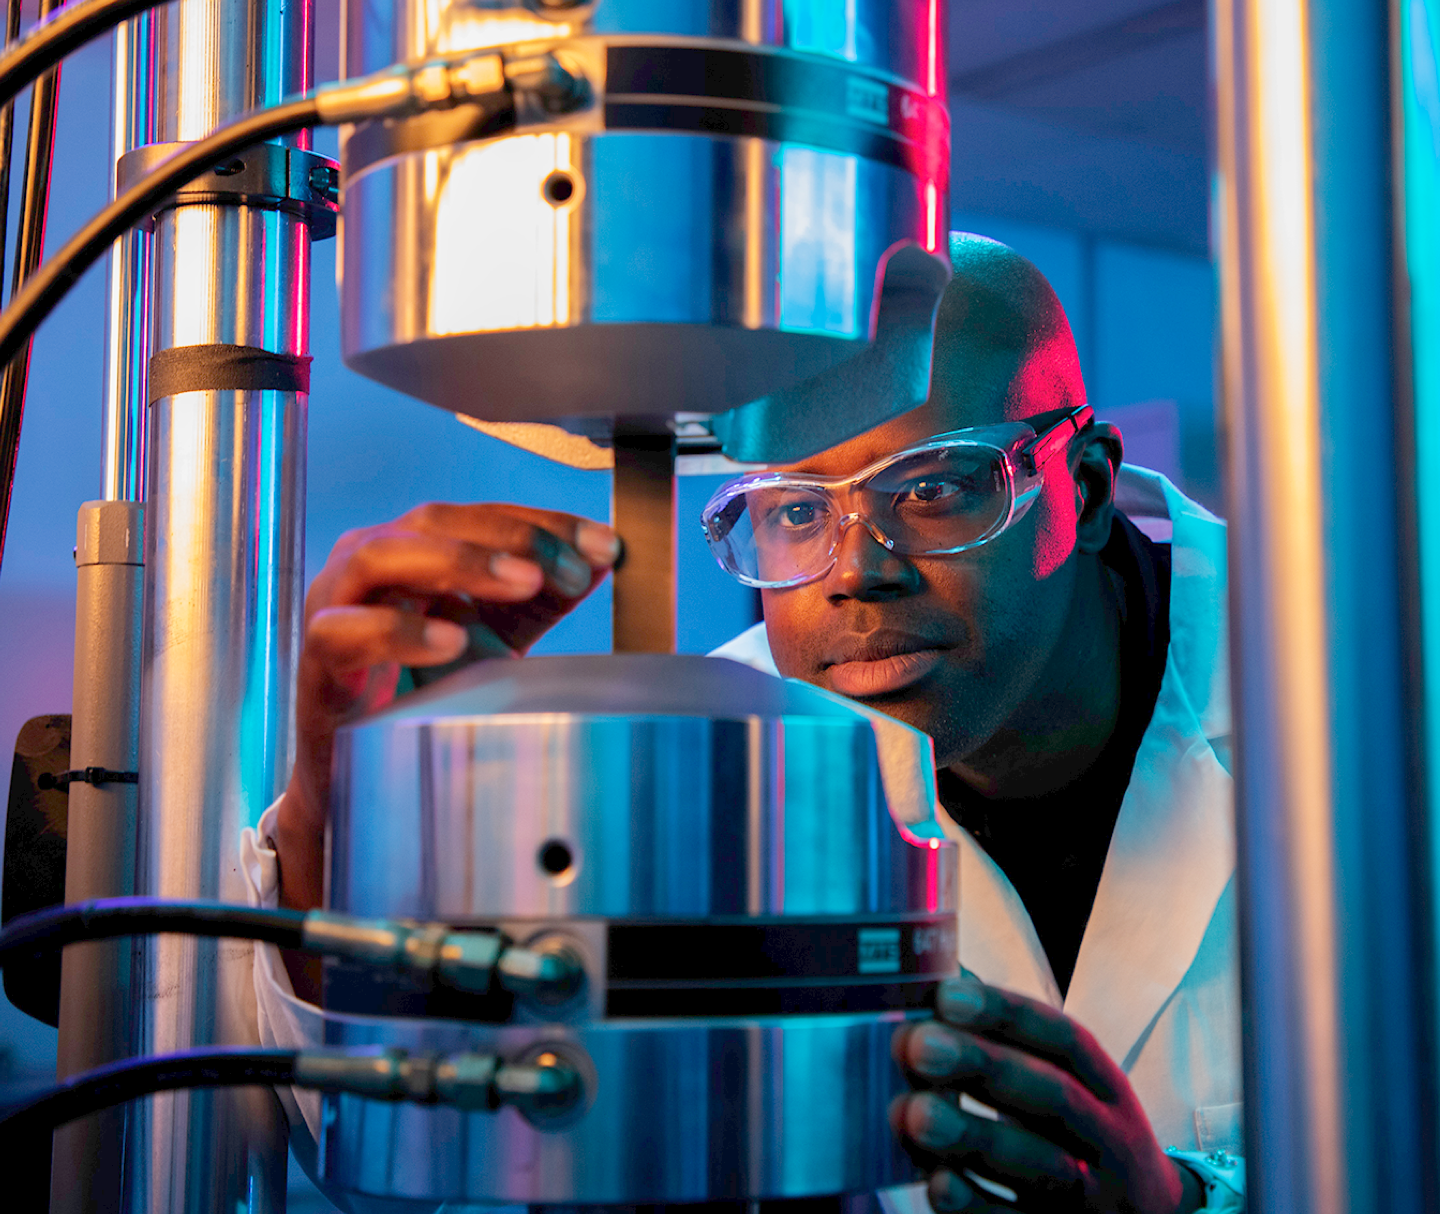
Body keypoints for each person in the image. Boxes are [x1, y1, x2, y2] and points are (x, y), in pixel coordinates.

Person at [243, 234, 1243, 1213]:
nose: (857, 571)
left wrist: (1188, 1203)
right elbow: (425, 1148)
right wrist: (338, 808)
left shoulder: (1350, 706)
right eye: (797, 513)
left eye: (932, 489)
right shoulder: (724, 763)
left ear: (1089, 487)